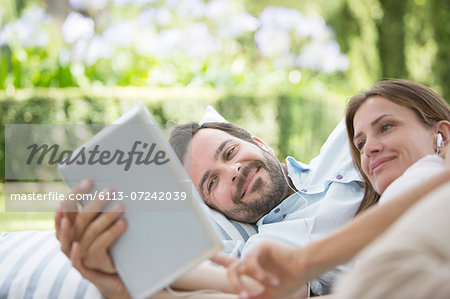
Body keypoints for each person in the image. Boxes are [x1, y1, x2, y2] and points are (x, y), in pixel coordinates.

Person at [55, 116, 366, 297]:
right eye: (211, 183)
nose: (232, 172)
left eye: (230, 152)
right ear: (214, 209)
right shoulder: (266, 248)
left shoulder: (350, 135)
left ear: (260, 144)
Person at [216, 79, 450, 299]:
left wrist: (303, 261)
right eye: (360, 144)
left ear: (442, 134)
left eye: (386, 127)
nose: (368, 149)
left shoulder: (433, 174)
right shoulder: (381, 224)